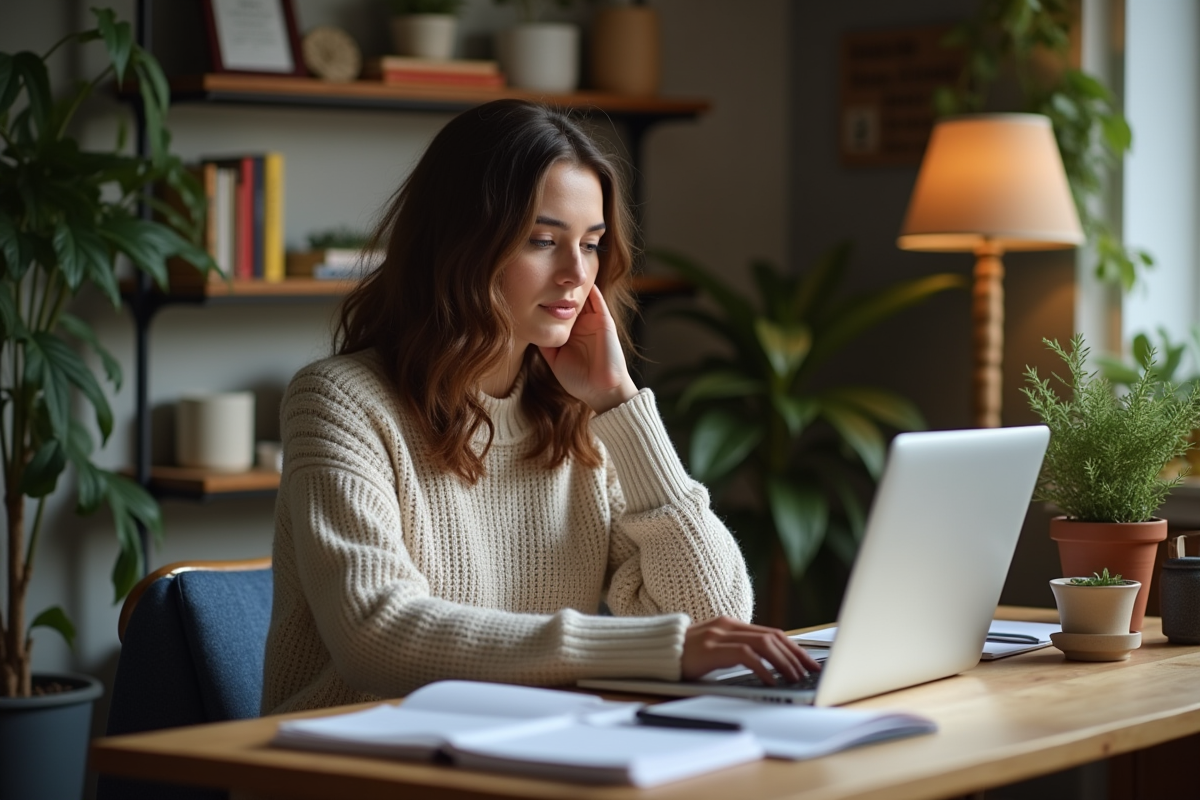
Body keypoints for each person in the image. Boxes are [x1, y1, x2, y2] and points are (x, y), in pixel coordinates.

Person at [261, 99, 816, 714]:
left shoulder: (580, 415)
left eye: (592, 243)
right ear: (461, 244)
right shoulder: (339, 401)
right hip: (351, 764)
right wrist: (652, 648)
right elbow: (378, 637)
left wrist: (619, 402)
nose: (576, 274)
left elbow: (715, 616)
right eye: (543, 240)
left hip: (529, 748)